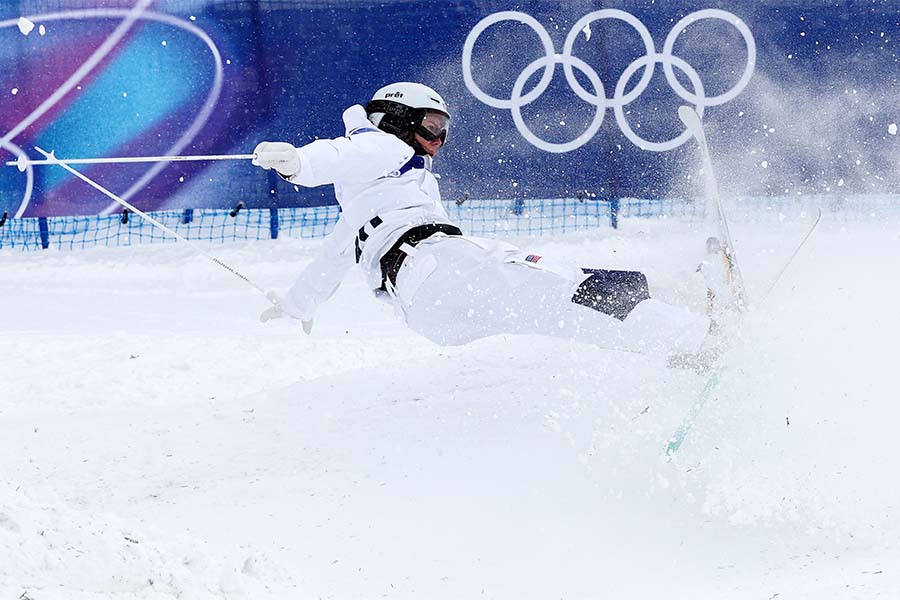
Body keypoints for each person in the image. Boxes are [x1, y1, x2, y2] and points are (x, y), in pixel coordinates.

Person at [253, 82, 713, 358]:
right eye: (430, 126)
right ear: (396, 119)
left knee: (556, 307)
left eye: (443, 130)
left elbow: (329, 265)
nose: (438, 139)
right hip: (438, 264)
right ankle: (692, 333)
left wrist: (296, 306)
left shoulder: (360, 210)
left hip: (425, 311)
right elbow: (339, 154)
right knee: (562, 288)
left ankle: (675, 322)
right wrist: (297, 162)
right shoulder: (385, 145)